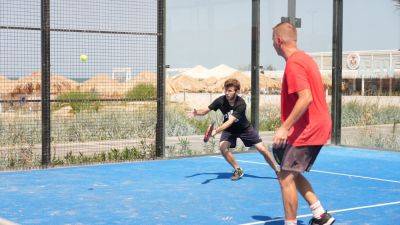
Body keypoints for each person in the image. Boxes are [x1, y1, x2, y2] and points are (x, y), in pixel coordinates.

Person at [271, 22, 335, 225]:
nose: (272, 44)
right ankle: (320, 215)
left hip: (310, 128)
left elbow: (305, 98)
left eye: (272, 40)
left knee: (285, 178)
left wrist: (284, 127)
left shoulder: (294, 64)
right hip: (313, 126)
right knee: (292, 171)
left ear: (278, 41)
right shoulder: (305, 59)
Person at [190, 78, 279, 181]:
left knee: (262, 149)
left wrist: (215, 131)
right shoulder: (221, 100)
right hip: (229, 130)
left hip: (244, 129)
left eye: (230, 91)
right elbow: (205, 110)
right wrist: (196, 113)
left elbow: (230, 121)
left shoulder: (241, 104)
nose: (227, 93)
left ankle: (277, 170)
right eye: (226, 90)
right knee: (223, 148)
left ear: (237, 91)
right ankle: (238, 170)